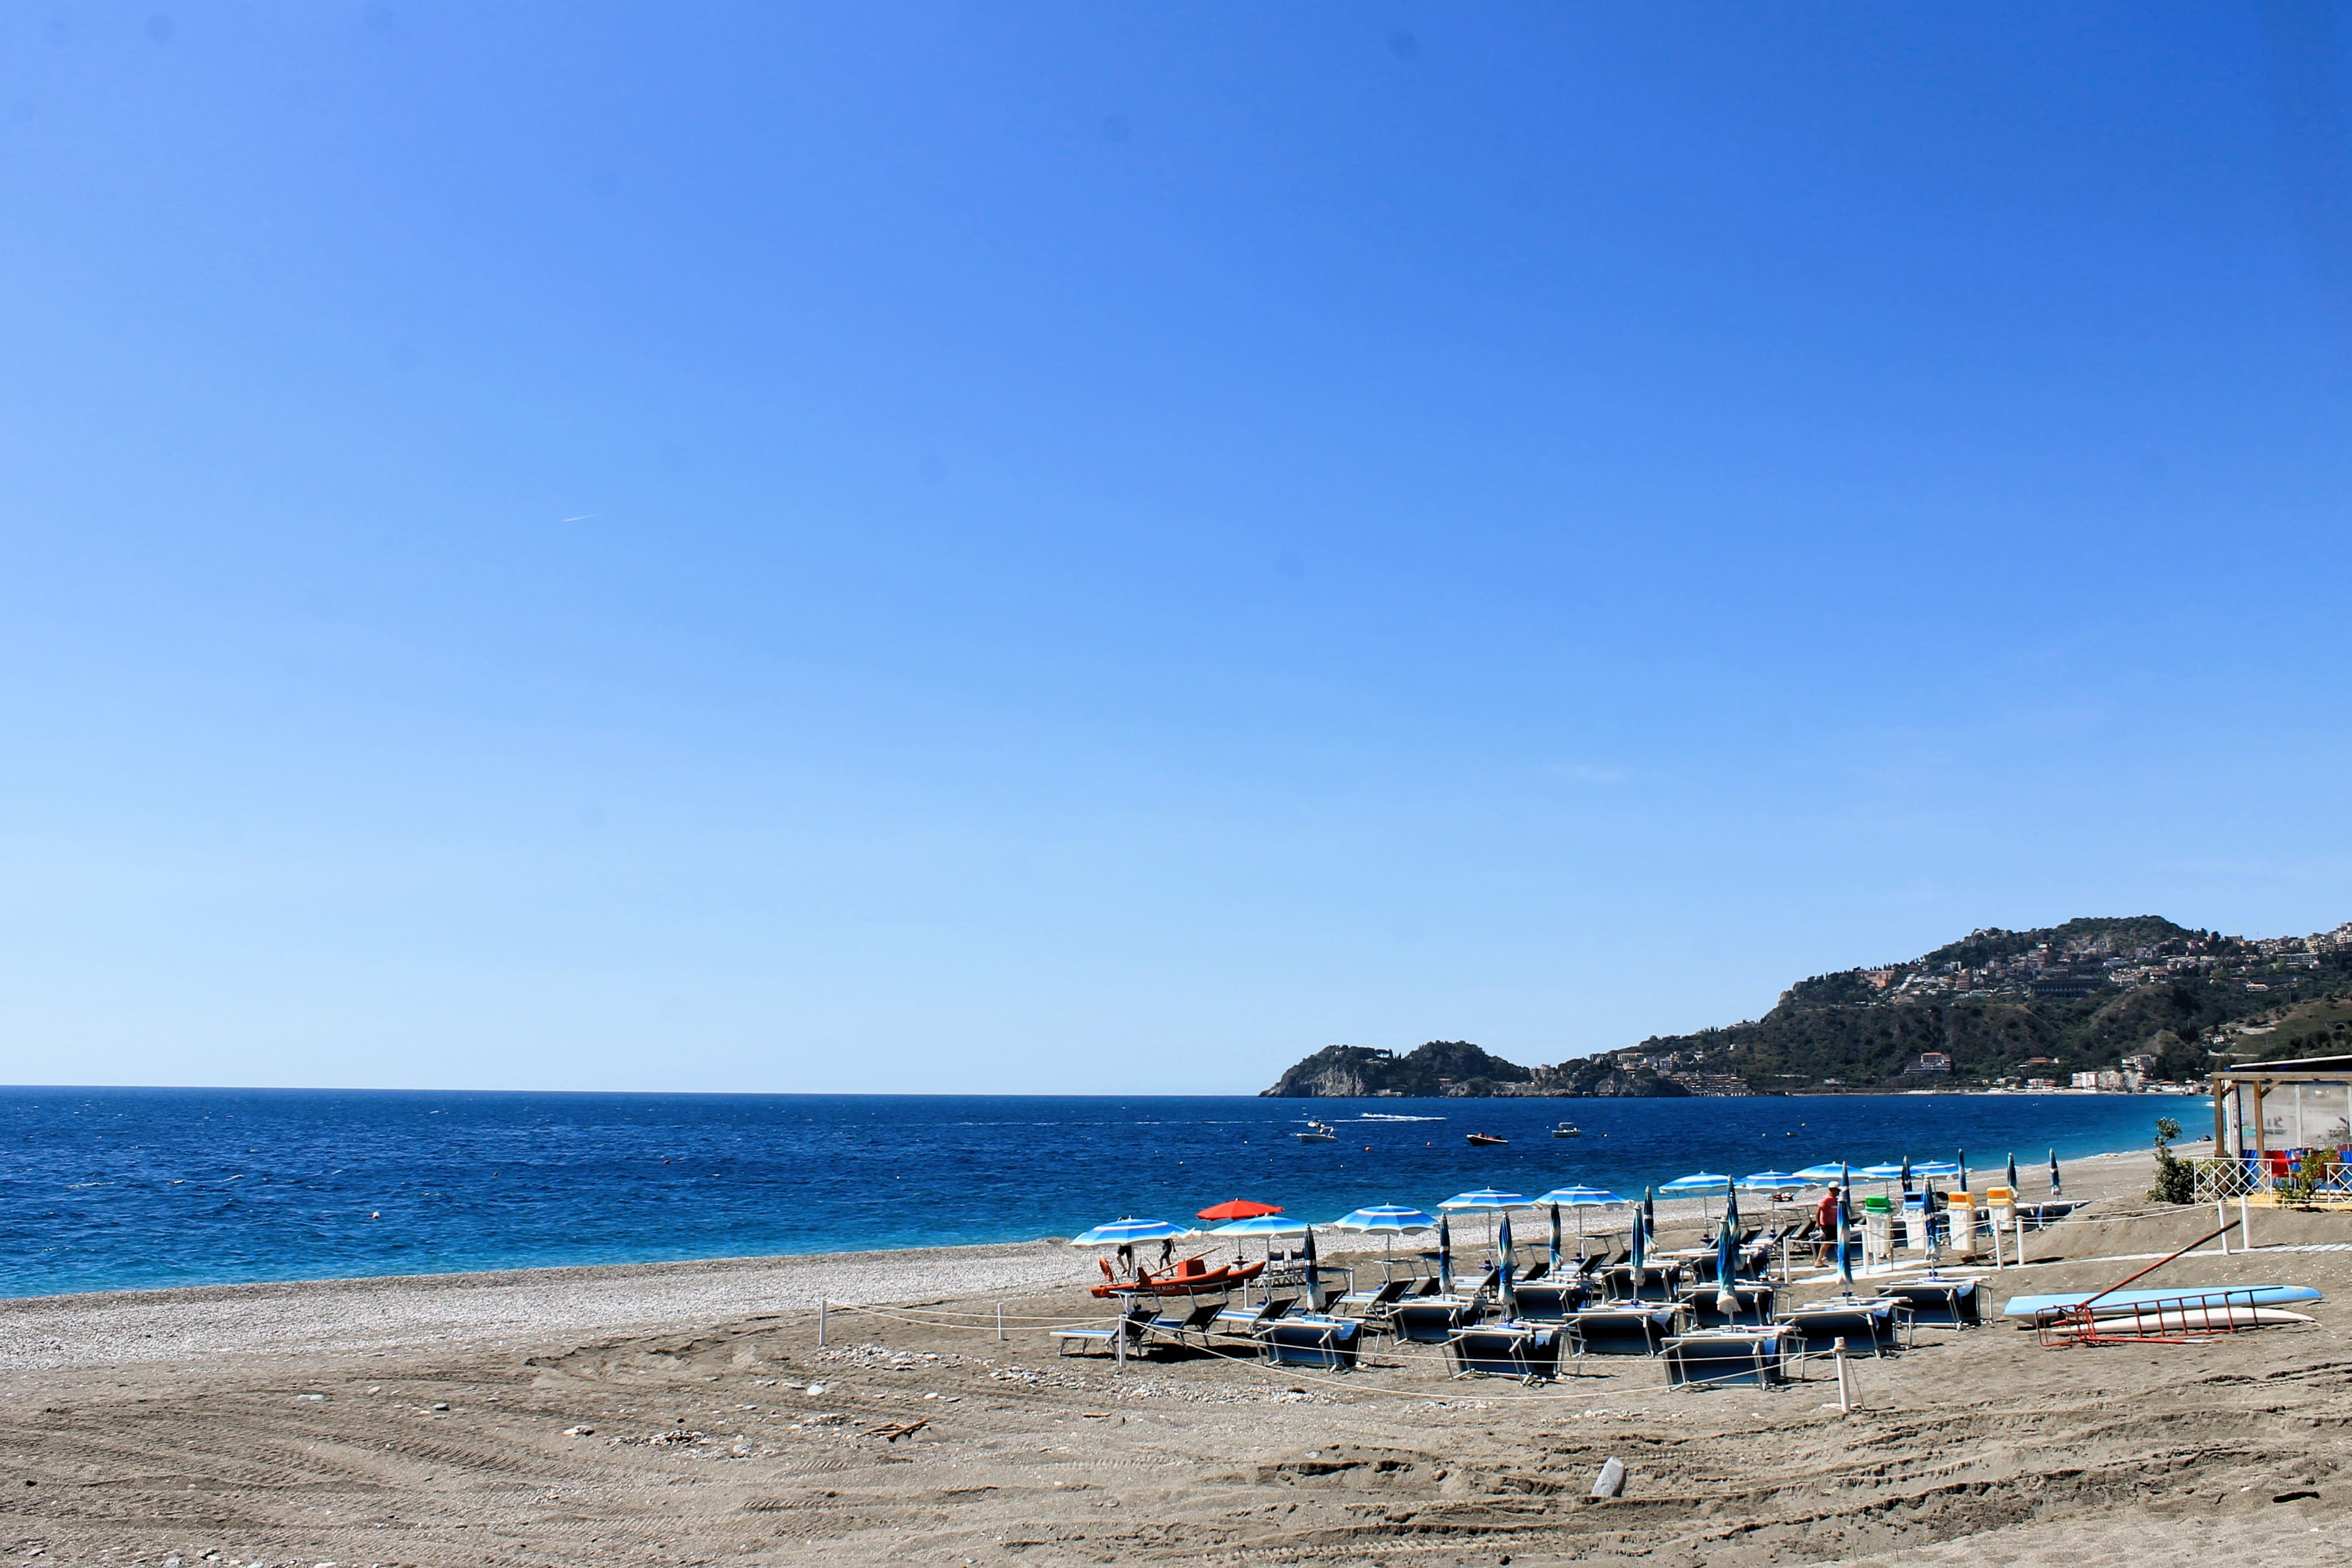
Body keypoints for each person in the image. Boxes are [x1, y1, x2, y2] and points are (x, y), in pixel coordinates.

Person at [1812, 1184, 1844, 1266]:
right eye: (1837, 1190)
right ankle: (1819, 1261)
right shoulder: (1826, 1199)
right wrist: (1818, 1223)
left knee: (1837, 1240)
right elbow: (1818, 1211)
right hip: (1827, 1224)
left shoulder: (1836, 1200)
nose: (1838, 1192)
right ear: (1832, 1190)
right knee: (1828, 1242)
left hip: (1835, 1224)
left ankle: (1840, 1258)